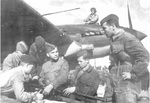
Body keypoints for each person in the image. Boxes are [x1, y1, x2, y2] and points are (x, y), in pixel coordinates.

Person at [100, 14, 149, 103]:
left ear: (113, 27)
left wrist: (133, 74)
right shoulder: (114, 40)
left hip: (126, 84)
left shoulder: (127, 38)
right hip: (114, 82)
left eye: (105, 28)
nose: (104, 31)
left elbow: (144, 56)